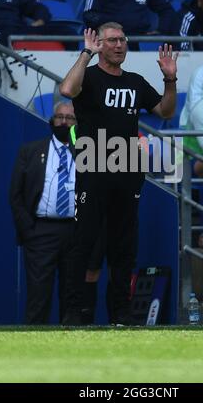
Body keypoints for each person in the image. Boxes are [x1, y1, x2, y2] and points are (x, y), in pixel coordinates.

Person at [59, 22, 178, 325]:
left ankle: (121, 313)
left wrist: (170, 79)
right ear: (99, 44)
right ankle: (73, 311)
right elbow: (67, 90)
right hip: (95, 162)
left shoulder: (135, 81)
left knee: (124, 246)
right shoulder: (89, 75)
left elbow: (165, 111)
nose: (119, 45)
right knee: (83, 242)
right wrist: (86, 53)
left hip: (127, 165)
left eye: (123, 40)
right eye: (112, 40)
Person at [10, 102, 77, 324]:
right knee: (39, 297)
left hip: (75, 232)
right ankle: (33, 350)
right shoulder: (30, 151)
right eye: (60, 117)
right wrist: (29, 231)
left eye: (70, 118)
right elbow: (16, 195)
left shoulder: (86, 155)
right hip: (41, 232)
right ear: (51, 121)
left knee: (72, 298)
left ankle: (74, 352)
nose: (64, 122)